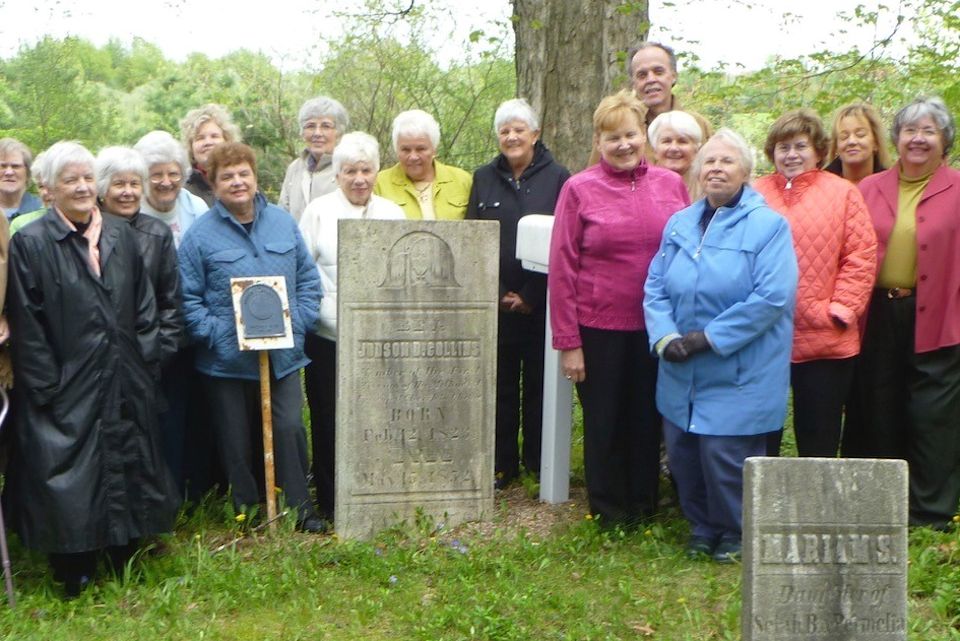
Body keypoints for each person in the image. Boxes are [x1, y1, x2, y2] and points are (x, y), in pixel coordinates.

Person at [5, 141, 177, 596]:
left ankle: (124, 551)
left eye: (86, 178)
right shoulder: (32, 242)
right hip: (66, 381)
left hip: (125, 373)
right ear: (51, 189)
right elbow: (28, 321)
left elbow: (144, 306)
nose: (81, 188)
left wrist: (144, 360)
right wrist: (48, 387)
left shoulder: (121, 236)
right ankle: (73, 565)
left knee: (127, 461)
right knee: (69, 474)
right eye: (70, 180)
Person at [644, 129, 798, 562]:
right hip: (680, 366)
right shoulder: (679, 223)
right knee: (685, 452)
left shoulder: (769, 227)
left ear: (747, 172)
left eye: (727, 161)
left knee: (725, 457)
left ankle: (735, 532)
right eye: (709, 162)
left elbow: (772, 297)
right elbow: (655, 286)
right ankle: (701, 527)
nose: (716, 169)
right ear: (697, 171)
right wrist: (665, 336)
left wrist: (708, 338)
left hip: (737, 368)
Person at [548, 90, 689, 526]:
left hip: (657, 326)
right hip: (599, 326)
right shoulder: (578, 189)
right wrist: (569, 342)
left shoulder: (670, 184)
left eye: (630, 134)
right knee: (605, 419)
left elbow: (688, 251)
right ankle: (609, 510)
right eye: (613, 138)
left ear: (643, 134)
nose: (624, 145)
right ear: (599, 141)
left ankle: (643, 503)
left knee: (648, 417)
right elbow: (562, 267)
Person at [178, 142, 325, 533]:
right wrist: (217, 335)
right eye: (227, 176)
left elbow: (309, 282)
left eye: (243, 173)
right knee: (236, 439)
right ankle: (249, 511)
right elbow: (187, 299)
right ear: (213, 181)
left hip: (283, 356)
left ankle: (301, 508)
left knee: (290, 428)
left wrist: (297, 326)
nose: (237, 182)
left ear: (255, 176)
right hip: (226, 362)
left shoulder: (282, 222)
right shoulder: (199, 235)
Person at [843, 96, 960, 530]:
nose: (918, 138)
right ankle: (878, 505)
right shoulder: (868, 188)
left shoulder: (958, 187)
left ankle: (931, 513)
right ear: (896, 138)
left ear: (944, 140)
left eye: (929, 131)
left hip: (940, 314)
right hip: (876, 313)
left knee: (933, 415)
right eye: (910, 130)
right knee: (878, 405)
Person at [753, 109, 877, 457]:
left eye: (800, 146)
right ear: (772, 153)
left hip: (824, 335)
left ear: (819, 151)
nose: (791, 154)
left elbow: (861, 254)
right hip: (763, 336)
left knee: (818, 433)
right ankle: (760, 506)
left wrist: (841, 309)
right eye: (783, 147)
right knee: (761, 431)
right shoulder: (753, 194)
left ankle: (815, 509)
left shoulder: (843, 193)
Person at [299, 132, 404, 522]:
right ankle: (331, 500)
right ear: (337, 175)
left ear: (377, 171)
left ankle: (379, 493)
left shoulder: (393, 213)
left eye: (366, 170)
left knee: (381, 416)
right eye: (349, 171)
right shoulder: (317, 212)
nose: (359, 179)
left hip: (382, 338)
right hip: (328, 338)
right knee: (329, 419)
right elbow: (303, 273)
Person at [466, 98, 570, 488]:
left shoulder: (560, 177)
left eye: (518, 129)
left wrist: (529, 292)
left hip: (542, 303)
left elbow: (563, 239)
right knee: (500, 386)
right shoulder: (483, 177)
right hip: (497, 304)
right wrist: (496, 292)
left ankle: (539, 461)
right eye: (504, 130)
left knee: (540, 386)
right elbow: (474, 238)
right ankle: (501, 464)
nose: (511, 136)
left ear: (535, 134)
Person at [95, 146, 186, 489]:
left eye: (135, 183)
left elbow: (171, 302)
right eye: (120, 183)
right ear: (102, 189)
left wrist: (157, 355)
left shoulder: (156, 234)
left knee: (151, 440)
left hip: (148, 359)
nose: (129, 191)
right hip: (100, 361)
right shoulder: (87, 233)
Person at [374, 109, 472, 220]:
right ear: (397, 150)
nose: (413, 157)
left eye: (420, 149)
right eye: (406, 150)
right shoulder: (379, 184)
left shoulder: (463, 181)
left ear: (434, 149)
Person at [628, 42, 711, 158]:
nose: (651, 79)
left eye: (658, 72)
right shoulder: (619, 127)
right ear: (633, 83)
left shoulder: (699, 125)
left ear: (674, 76)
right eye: (642, 75)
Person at [279, 96, 349, 222]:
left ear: (338, 132)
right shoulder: (295, 168)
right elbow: (283, 214)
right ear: (302, 132)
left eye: (326, 126)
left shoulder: (348, 167)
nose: (317, 133)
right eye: (310, 126)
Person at [135, 130, 208, 247]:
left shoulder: (196, 207)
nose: (166, 182)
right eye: (157, 175)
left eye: (173, 174)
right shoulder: (134, 213)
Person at [179, 104, 242, 207]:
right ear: (191, 147)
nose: (208, 142)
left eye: (214, 136)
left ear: (227, 141)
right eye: (200, 138)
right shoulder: (184, 192)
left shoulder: (243, 181)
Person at [825, 102, 891, 184]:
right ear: (836, 146)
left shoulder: (891, 185)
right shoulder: (821, 186)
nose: (851, 141)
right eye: (844, 136)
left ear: (876, 142)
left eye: (860, 134)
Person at [647, 110, 704, 200]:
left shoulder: (707, 187)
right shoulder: (643, 187)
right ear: (655, 150)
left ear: (696, 149)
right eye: (667, 141)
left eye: (682, 141)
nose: (674, 148)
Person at [0, 138, 42, 219]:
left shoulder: (43, 211)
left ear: (28, 172)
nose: (9, 172)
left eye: (15, 166)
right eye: (3, 166)